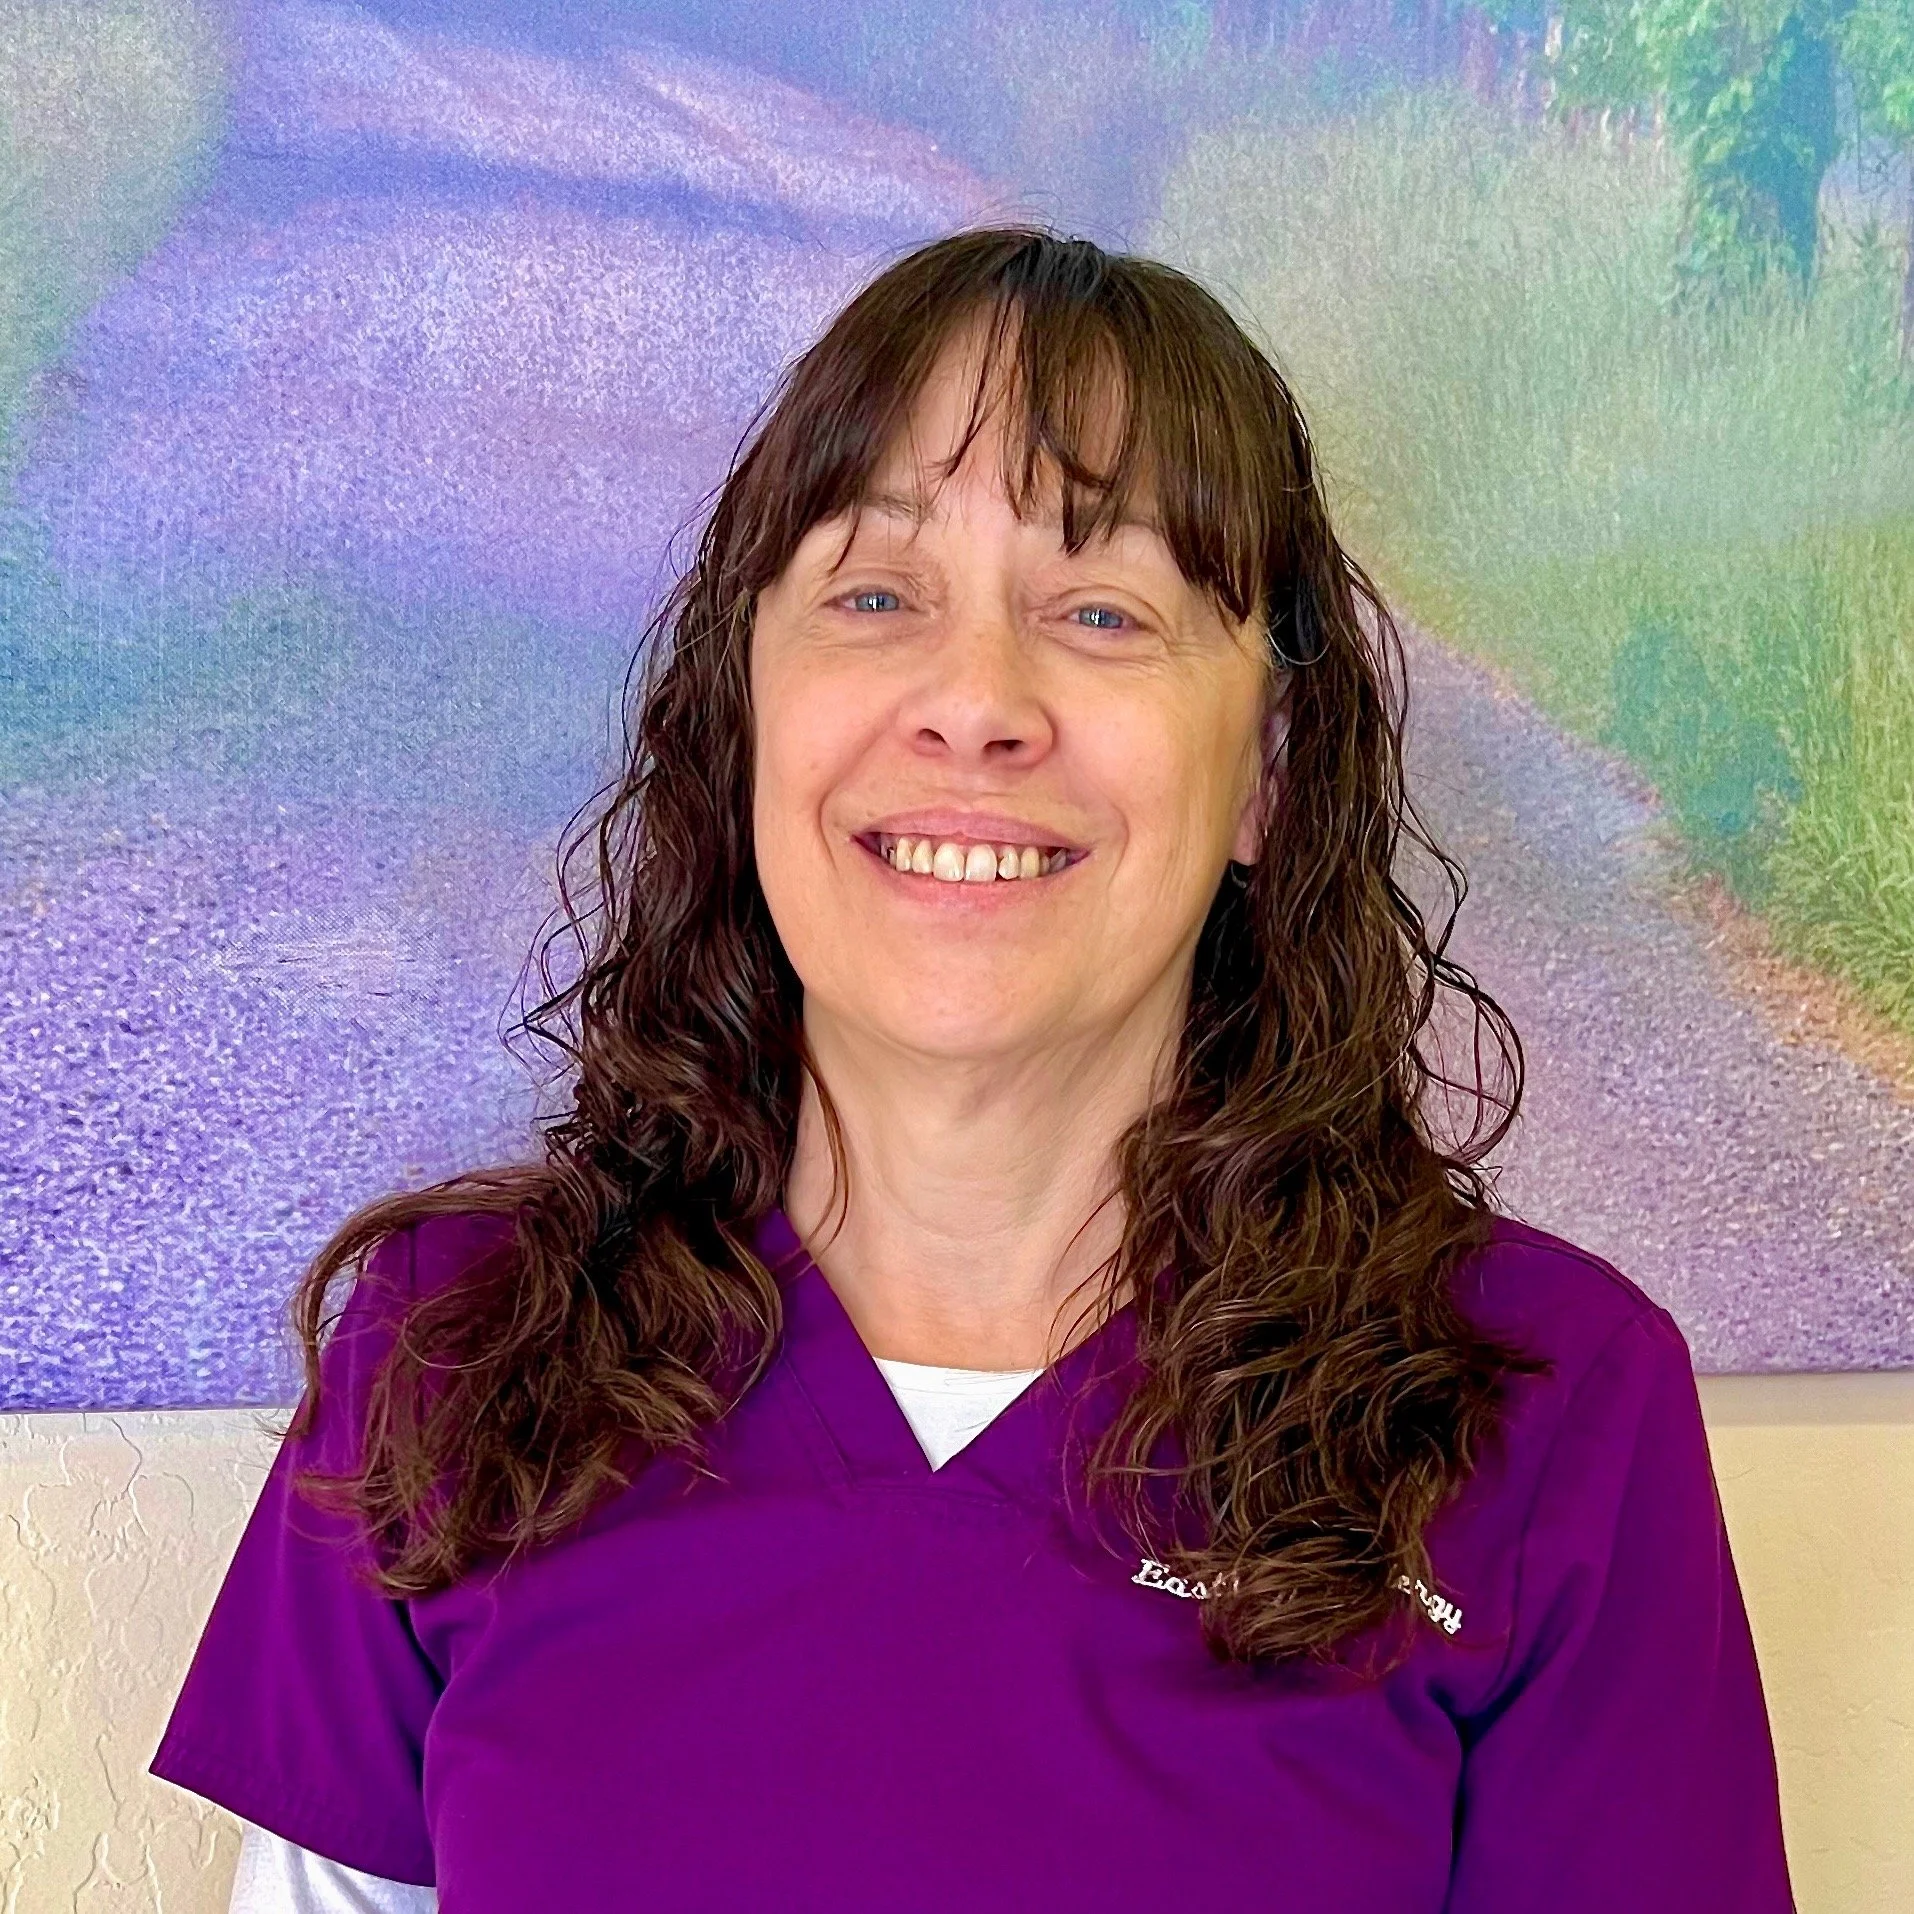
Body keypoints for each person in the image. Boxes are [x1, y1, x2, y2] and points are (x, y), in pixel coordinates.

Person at [150, 226, 1796, 1913]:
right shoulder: (454, 1350)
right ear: (746, 714)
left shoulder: (1549, 1412)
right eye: (875, 593)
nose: (976, 705)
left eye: (1101, 607)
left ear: (1267, 778)